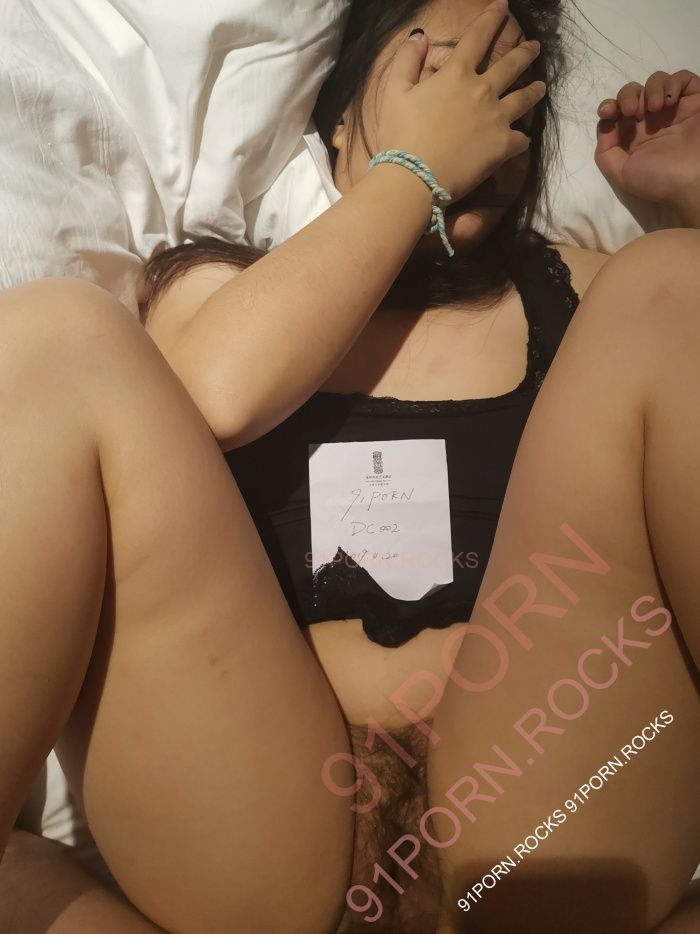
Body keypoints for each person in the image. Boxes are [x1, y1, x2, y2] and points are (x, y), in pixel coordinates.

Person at [1, 2, 699, 933]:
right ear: (337, 121)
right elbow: (218, 395)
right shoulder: (219, 285)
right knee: (57, 336)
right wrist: (414, 173)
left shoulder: (598, 296)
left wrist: (691, 206)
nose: (477, 102)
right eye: (439, 68)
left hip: (534, 821)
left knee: (677, 280)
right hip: (264, 830)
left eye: (510, 87)